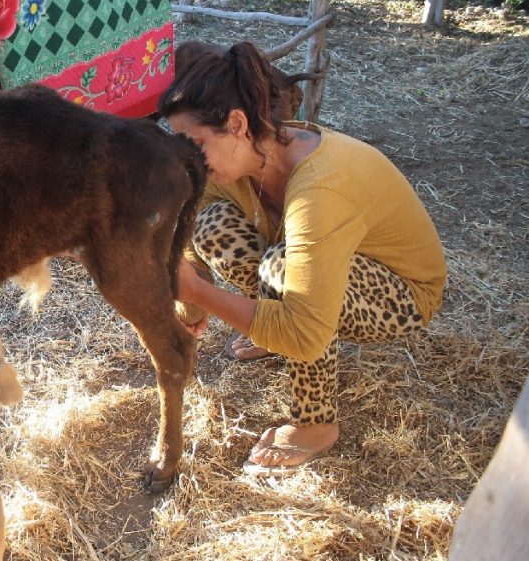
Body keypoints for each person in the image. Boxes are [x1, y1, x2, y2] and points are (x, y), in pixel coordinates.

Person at [160, 42, 447, 473]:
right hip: (323, 266)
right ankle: (271, 322)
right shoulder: (248, 154)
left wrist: (195, 287)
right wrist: (192, 302)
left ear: (237, 124)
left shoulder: (320, 185)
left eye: (194, 144)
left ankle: (317, 425)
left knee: (282, 271)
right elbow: (192, 225)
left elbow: (308, 334)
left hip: (401, 292)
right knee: (212, 223)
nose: (189, 160)